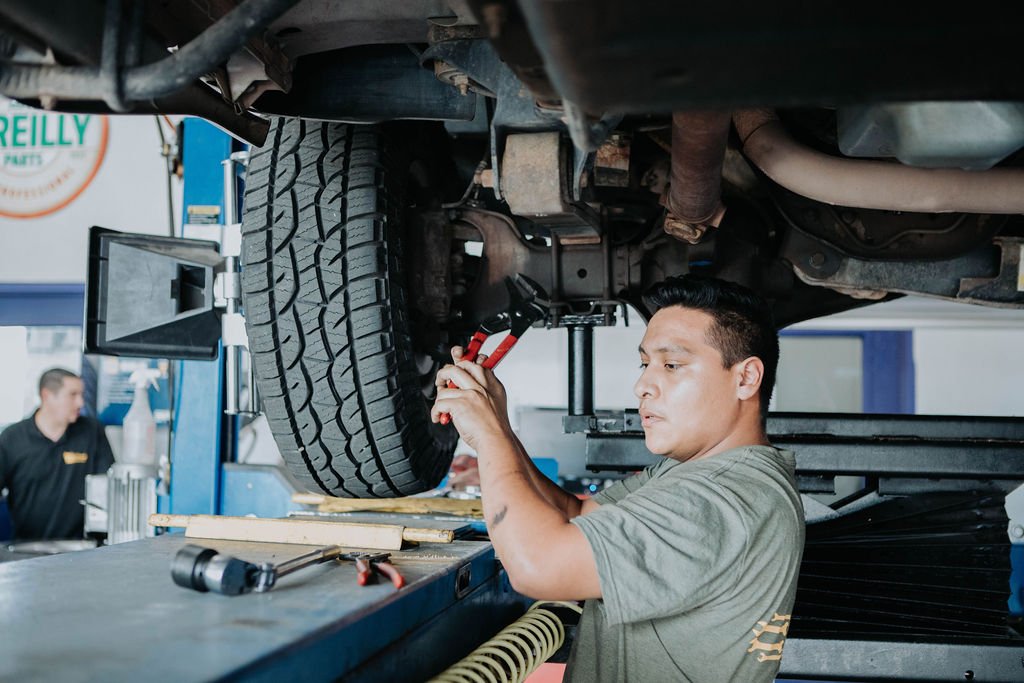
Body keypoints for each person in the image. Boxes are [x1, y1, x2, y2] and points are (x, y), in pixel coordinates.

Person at [431, 274, 805, 682]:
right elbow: (578, 514)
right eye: (645, 364)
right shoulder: (704, 473)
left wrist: (487, 437)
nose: (642, 385)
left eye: (671, 365)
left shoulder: (722, 501)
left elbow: (537, 566)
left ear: (746, 378)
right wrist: (500, 426)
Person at [0, 368, 114, 540]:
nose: (81, 403)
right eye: (73, 395)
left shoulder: (92, 431)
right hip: (27, 547)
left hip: (82, 547)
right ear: (47, 396)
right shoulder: (12, 438)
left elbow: (108, 484)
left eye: (81, 395)